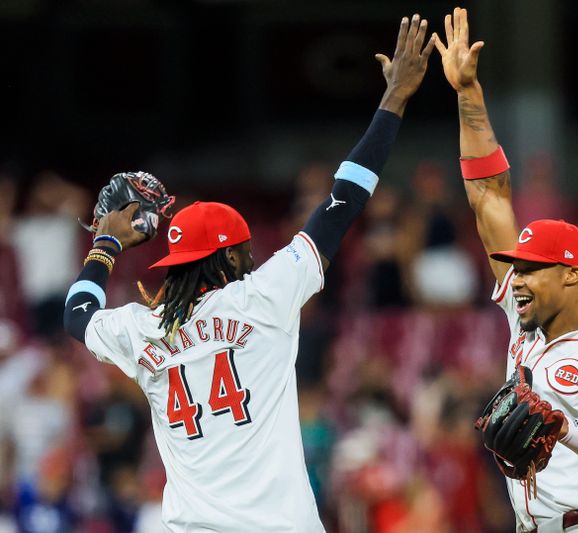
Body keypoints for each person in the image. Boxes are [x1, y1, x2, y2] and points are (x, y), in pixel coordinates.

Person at [63, 15, 436, 532]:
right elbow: (343, 201)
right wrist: (393, 99)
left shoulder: (142, 329)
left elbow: (77, 315)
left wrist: (106, 242)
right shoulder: (263, 298)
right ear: (230, 258)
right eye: (244, 249)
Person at [433, 8, 578, 532]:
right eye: (520, 268)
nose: (520, 280)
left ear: (573, 275)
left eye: (534, 270)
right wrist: (468, 93)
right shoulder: (523, 317)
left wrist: (565, 429)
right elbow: (488, 197)